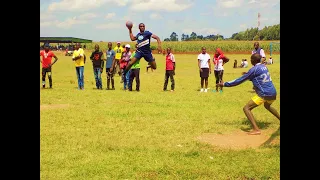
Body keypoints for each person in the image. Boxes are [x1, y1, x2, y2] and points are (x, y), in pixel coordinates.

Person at [217, 53, 280, 135]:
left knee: (246, 108)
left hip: (264, 94)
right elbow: (258, 77)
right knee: (267, 106)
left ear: (253, 60)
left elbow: (239, 81)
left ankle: (256, 129)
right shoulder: (264, 67)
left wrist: (224, 84)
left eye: (251, 59)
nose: (250, 61)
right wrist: (247, 74)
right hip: (273, 93)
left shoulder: (253, 70)